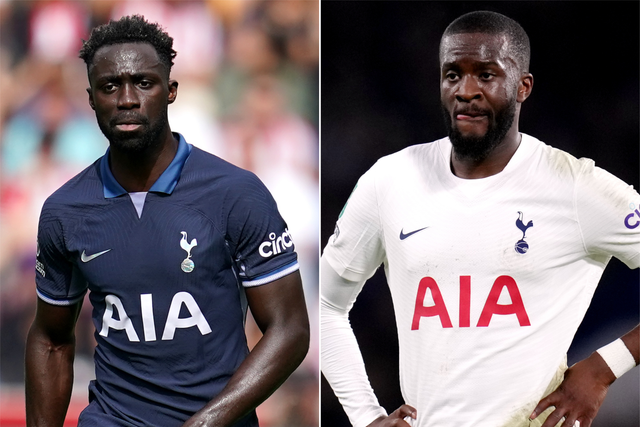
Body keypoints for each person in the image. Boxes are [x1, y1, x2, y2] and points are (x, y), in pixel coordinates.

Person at [321, 10, 638, 427]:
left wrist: (603, 368)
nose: (466, 90)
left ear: (523, 86)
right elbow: (324, 302)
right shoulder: (390, 179)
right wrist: (366, 417)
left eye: (486, 75)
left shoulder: (575, 186)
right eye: (452, 74)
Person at [25, 15, 309, 427]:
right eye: (109, 86)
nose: (126, 99)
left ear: (171, 91)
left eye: (143, 83)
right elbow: (50, 339)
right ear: (90, 99)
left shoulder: (236, 194)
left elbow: (290, 330)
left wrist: (207, 422)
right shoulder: (64, 210)